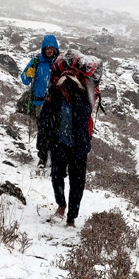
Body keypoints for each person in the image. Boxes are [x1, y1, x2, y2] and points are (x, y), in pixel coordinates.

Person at [38, 62, 93, 227]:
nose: (63, 91)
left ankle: (71, 218)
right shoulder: (54, 98)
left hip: (79, 148)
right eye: (61, 88)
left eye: (65, 88)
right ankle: (61, 205)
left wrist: (73, 99)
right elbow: (43, 120)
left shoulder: (82, 99)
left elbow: (84, 115)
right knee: (56, 176)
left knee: (77, 183)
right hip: (59, 144)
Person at [20, 34, 59, 167]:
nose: (49, 50)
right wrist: (28, 73)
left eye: (52, 48)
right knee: (43, 130)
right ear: (43, 48)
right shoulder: (37, 61)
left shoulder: (59, 63)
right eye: (47, 48)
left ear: (55, 49)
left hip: (55, 103)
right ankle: (42, 158)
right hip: (39, 103)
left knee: (54, 130)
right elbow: (25, 80)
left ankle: (52, 157)